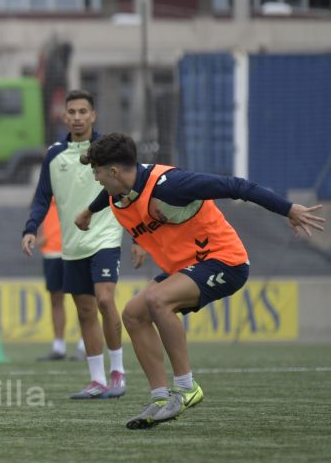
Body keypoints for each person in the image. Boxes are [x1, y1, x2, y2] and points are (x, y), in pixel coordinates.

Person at [74, 132, 325, 429]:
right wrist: (89, 211)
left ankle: (186, 388)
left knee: (157, 300)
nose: (96, 179)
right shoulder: (119, 190)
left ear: (114, 171)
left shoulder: (172, 185)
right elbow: (111, 195)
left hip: (224, 261)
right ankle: (159, 398)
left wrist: (288, 209)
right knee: (133, 313)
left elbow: (236, 186)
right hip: (185, 266)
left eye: (98, 173)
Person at [22, 89, 145, 399]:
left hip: (105, 237)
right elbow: (41, 197)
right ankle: (97, 380)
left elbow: (133, 192)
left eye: (82, 112)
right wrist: (31, 228)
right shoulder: (53, 155)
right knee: (85, 311)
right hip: (71, 244)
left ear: (93, 116)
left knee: (105, 300)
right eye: (72, 112)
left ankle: (117, 371)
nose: (77, 117)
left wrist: (139, 236)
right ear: (65, 117)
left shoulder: (111, 151)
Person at [36, 198, 86, 361]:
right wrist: (40, 234)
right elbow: (38, 208)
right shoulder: (47, 184)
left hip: (74, 248)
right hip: (51, 250)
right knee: (55, 298)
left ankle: (84, 344)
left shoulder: (77, 181)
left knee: (82, 298)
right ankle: (58, 346)